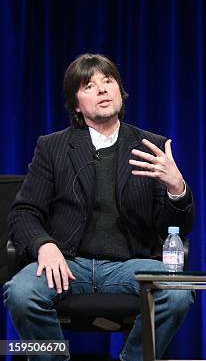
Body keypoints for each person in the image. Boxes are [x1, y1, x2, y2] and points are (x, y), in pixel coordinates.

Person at [3, 53, 195, 361]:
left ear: (121, 91)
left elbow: (174, 229)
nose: (103, 89)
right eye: (89, 86)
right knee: (21, 293)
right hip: (68, 263)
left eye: (108, 81)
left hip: (129, 264)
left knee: (177, 291)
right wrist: (44, 245)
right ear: (77, 104)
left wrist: (177, 188)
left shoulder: (149, 146)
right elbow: (24, 212)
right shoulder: (53, 147)